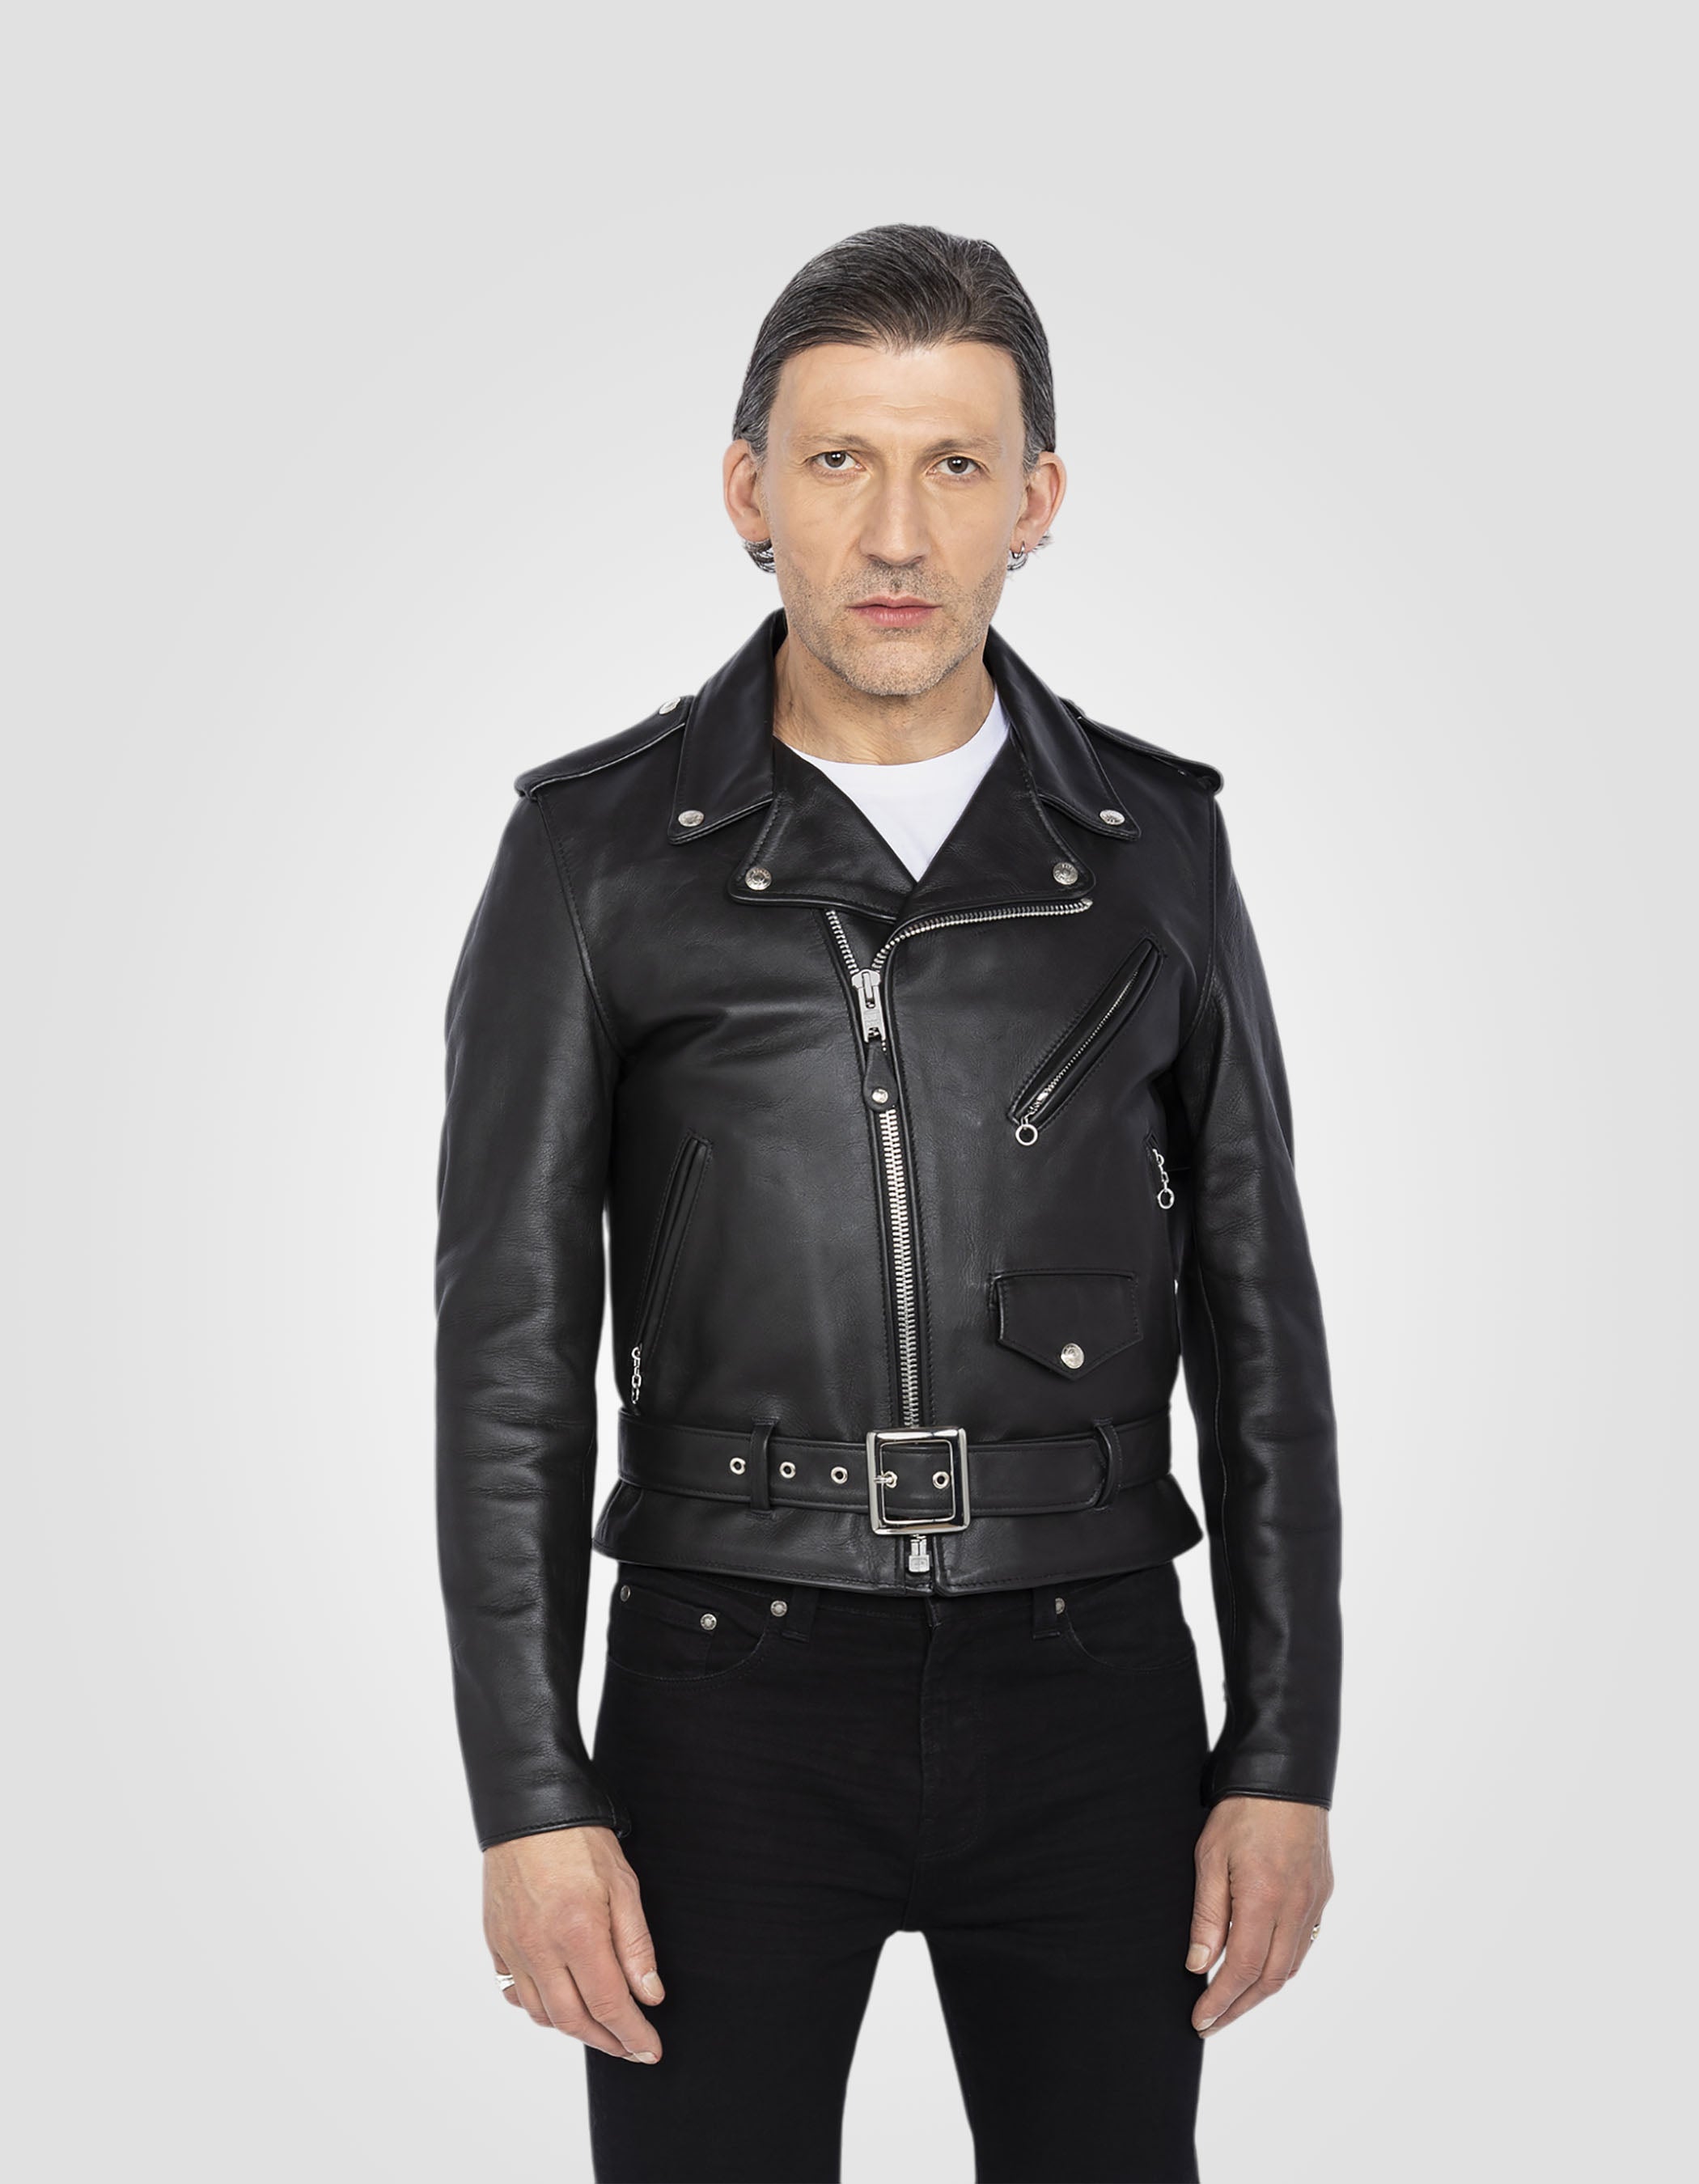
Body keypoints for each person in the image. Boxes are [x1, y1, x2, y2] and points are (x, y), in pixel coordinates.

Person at [435, 222, 1341, 2184]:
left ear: (1039, 499)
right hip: (724, 1695)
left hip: (1095, 1682)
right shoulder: (595, 856)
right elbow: (509, 1361)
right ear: (749, 490)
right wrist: (530, 1797)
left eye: (955, 464)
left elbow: (1264, 1320)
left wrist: (1283, 1758)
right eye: (839, 459)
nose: (899, 531)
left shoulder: (1157, 847)